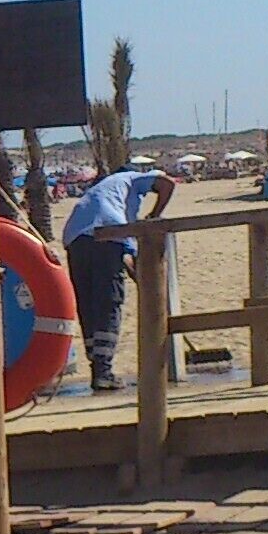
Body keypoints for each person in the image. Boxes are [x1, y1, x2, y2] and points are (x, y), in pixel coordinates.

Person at [58, 164, 177, 393]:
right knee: (109, 302)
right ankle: (103, 373)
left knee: (89, 305)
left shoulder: (102, 193)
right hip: (107, 233)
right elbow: (167, 183)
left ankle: (98, 369)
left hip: (75, 238)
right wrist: (155, 215)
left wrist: (141, 278)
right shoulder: (131, 179)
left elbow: (125, 257)